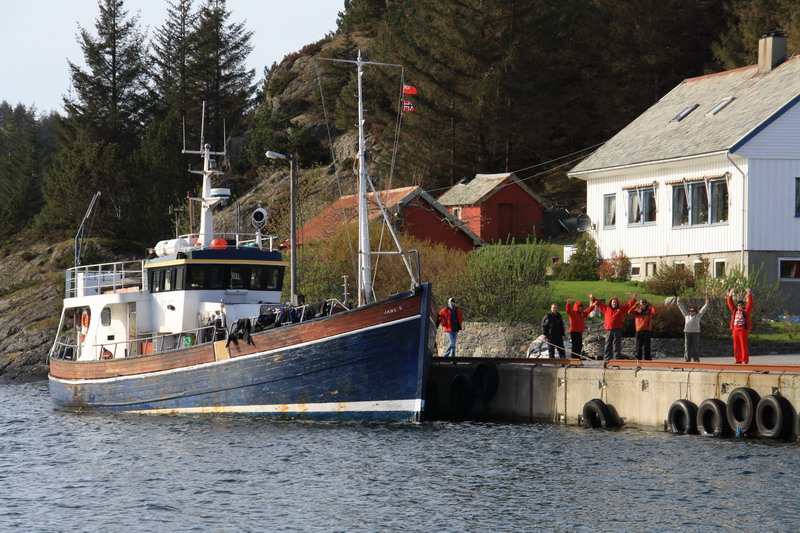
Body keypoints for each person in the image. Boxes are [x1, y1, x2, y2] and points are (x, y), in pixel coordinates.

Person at [590, 292, 637, 360]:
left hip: (617, 330)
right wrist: (592, 298)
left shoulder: (621, 309)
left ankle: (616, 358)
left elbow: (628, 305)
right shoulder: (606, 308)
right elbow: (599, 304)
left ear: (617, 303)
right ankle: (607, 358)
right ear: (611, 303)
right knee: (608, 344)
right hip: (609, 330)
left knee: (616, 345)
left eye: (615, 302)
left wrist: (633, 298)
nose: (614, 303)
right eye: (613, 302)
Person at [677, 297, 709, 362]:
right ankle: (687, 359)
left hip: (695, 332)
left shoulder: (698, 316)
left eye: (693, 311)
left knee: (695, 347)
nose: (692, 312)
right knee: (687, 347)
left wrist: (706, 304)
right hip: (687, 332)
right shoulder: (686, 316)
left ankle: (696, 359)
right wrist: (678, 303)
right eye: (691, 311)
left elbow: (703, 310)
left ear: (695, 312)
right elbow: (682, 309)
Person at [727, 288, 753, 364]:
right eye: (738, 305)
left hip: (743, 330)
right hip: (735, 330)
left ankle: (745, 360)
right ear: (737, 306)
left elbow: (750, 304)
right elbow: (730, 304)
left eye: (741, 305)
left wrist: (749, 293)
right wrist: (730, 294)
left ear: (743, 306)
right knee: (736, 346)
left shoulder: (746, 311)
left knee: (743, 345)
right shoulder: (735, 311)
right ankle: (738, 360)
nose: (740, 306)